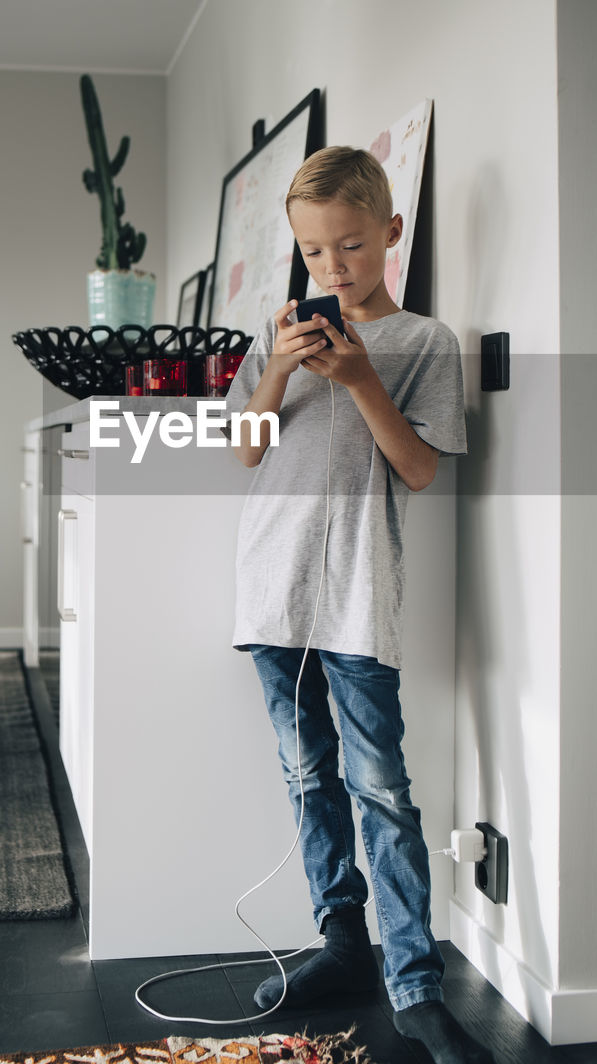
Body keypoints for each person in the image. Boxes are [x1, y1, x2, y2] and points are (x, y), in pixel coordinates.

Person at [223, 147, 490, 1064]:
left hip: (355, 594)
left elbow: (417, 468)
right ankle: (341, 944)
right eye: (312, 253)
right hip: (271, 588)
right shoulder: (281, 333)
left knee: (380, 786)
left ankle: (414, 984)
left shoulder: (425, 343)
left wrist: (356, 378)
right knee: (308, 778)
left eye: (349, 247)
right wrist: (279, 372)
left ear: (390, 233)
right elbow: (246, 450)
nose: (331, 270)